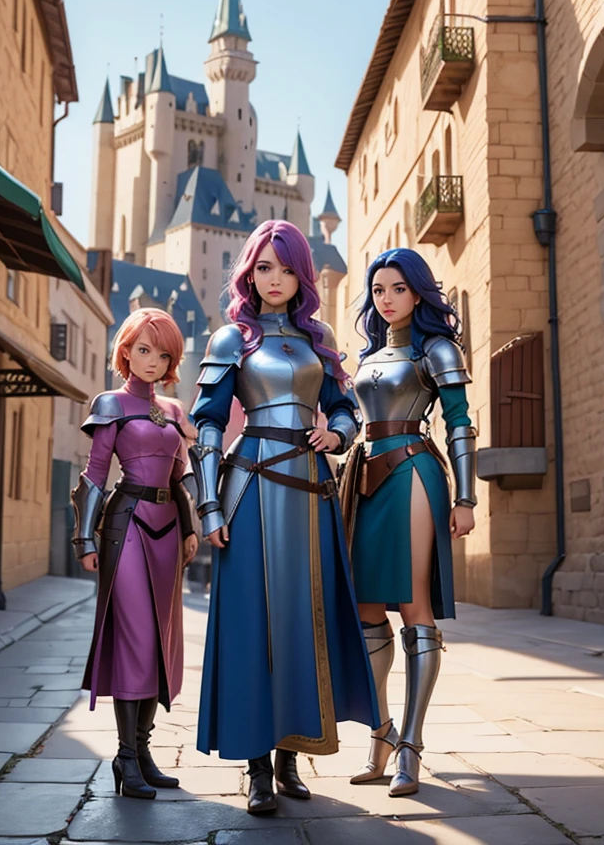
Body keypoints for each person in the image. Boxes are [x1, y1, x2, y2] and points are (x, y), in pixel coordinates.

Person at [190, 220, 379, 816]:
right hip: (250, 489)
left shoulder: (318, 338)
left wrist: (337, 431)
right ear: (250, 271)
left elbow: (346, 410)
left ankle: (292, 755)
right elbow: (209, 425)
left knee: (307, 619)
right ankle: (255, 769)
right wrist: (210, 504)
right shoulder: (232, 339)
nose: (275, 279)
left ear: (304, 274)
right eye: (265, 267)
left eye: (288, 268)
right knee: (253, 624)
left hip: (312, 492)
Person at [343, 248, 476, 797]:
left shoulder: (437, 348)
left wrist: (466, 498)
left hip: (414, 472)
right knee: (367, 608)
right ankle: (381, 738)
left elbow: (461, 423)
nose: (387, 299)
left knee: (411, 603)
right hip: (365, 476)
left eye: (397, 288)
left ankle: (411, 751)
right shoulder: (370, 356)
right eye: (378, 290)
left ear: (417, 293)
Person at [70, 308, 198, 800]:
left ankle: (141, 753)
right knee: (135, 637)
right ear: (125, 350)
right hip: (125, 528)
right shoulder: (110, 404)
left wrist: (190, 526)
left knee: (159, 642)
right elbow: (95, 474)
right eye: (143, 349)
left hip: (168, 532)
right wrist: (84, 539)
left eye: (163, 352)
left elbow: (180, 477)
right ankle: (124, 758)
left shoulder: (173, 411)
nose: (152, 359)